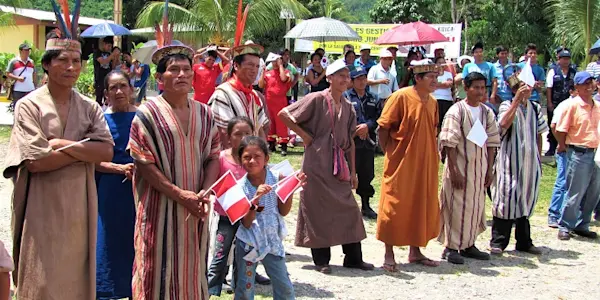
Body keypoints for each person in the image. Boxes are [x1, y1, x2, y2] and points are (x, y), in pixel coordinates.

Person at [3, 33, 114, 299]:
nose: (71, 67)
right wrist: (85, 150)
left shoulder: (89, 107)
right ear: (47, 64)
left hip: (80, 204)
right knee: (40, 275)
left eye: (77, 61)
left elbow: (107, 151)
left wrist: (60, 143)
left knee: (76, 275)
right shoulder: (29, 105)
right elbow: (37, 162)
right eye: (63, 60)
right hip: (40, 203)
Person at [128, 20, 220, 298]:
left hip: (195, 210)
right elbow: (144, 165)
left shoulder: (205, 113)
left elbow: (213, 156)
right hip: (160, 209)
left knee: (192, 270)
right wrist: (181, 195)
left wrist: (204, 191)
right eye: (174, 70)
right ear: (160, 78)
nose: (182, 74)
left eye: (186, 70)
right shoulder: (147, 114)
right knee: (155, 270)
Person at [279, 60, 374, 274]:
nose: (344, 79)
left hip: (339, 164)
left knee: (348, 208)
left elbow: (349, 141)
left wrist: (353, 172)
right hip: (316, 163)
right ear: (329, 78)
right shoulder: (316, 99)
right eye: (339, 75)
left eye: (346, 76)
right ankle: (321, 260)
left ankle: (353, 257)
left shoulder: (349, 106)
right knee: (318, 208)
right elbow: (284, 114)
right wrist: (305, 136)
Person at [376, 59, 441, 272]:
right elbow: (383, 128)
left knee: (420, 203)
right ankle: (389, 253)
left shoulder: (432, 102)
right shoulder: (400, 97)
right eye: (430, 77)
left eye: (435, 76)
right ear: (418, 78)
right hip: (401, 161)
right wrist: (390, 152)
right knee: (394, 204)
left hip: (425, 162)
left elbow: (433, 129)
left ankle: (416, 251)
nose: (435, 80)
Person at [438, 72, 501, 264]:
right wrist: (454, 171)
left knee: (475, 206)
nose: (480, 91)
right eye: (476, 87)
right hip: (460, 167)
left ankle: (468, 244)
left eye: (483, 88)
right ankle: (450, 247)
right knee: (455, 207)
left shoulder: (486, 112)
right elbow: (449, 142)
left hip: (479, 168)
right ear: (466, 88)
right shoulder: (457, 111)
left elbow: (491, 143)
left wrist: (489, 169)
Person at [234, 136, 306, 300]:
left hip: (272, 241)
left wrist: (290, 189)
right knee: (245, 289)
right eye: (247, 157)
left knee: (284, 287)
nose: (252, 161)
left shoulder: (277, 177)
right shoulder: (240, 187)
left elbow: (284, 211)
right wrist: (256, 199)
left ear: (266, 158)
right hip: (249, 244)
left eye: (257, 156)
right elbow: (246, 223)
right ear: (240, 160)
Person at [490, 82, 548, 255]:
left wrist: (538, 157)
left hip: (530, 161)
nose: (527, 90)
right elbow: (501, 126)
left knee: (526, 197)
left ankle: (524, 241)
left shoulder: (535, 107)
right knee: (506, 198)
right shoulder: (506, 105)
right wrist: (515, 102)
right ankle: (498, 241)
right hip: (510, 160)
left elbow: (539, 134)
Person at [95, 71, 137, 299]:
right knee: (108, 240)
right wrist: (119, 168)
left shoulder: (143, 118)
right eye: (113, 87)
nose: (119, 91)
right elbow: (90, 160)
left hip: (140, 189)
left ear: (131, 89)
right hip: (110, 189)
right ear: (106, 93)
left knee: (137, 240)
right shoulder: (99, 119)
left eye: (123, 86)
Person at [207, 117, 253, 296]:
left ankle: (239, 292)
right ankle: (210, 290)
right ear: (227, 136)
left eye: (247, 134)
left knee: (244, 259)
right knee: (220, 255)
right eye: (237, 134)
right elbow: (212, 185)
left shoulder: (253, 159)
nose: (242, 138)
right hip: (225, 218)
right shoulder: (220, 158)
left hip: (248, 219)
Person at [555, 71, 600, 241]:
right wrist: (563, 146)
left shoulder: (597, 105)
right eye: (585, 83)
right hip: (579, 152)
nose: (590, 86)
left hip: (595, 152)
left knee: (594, 192)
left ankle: (583, 224)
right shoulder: (572, 105)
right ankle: (565, 225)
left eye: (591, 82)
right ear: (577, 87)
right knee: (575, 191)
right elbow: (560, 129)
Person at [208, 42, 270, 148]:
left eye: (257, 66)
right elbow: (223, 133)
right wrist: (235, 162)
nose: (254, 70)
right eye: (250, 65)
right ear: (236, 66)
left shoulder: (253, 95)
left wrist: (262, 155)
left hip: (250, 158)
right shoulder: (222, 94)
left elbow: (259, 128)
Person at [344, 66, 381, 219]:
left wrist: (368, 126)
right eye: (358, 78)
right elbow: (342, 117)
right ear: (352, 81)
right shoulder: (346, 96)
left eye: (364, 78)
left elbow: (379, 117)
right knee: (346, 174)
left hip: (368, 143)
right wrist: (356, 129)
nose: (362, 81)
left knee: (367, 175)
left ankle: (365, 206)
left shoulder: (374, 98)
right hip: (351, 142)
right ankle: (345, 206)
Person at [546, 87, 576, 228]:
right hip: (566, 149)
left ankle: (567, 214)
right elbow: (554, 126)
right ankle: (554, 213)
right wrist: (561, 144)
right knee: (562, 181)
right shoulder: (565, 105)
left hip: (578, 150)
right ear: (571, 91)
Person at [545, 49, 576, 156]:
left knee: (567, 125)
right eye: (564, 59)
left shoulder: (573, 72)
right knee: (553, 125)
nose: (566, 61)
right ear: (559, 59)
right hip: (555, 102)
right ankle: (552, 148)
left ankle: (564, 146)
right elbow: (549, 88)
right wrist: (549, 102)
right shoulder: (553, 71)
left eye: (568, 59)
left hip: (569, 104)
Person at [260, 53, 292, 155]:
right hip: (269, 101)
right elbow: (261, 85)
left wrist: (280, 65)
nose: (274, 63)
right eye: (273, 61)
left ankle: (283, 146)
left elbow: (283, 79)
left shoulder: (286, 72)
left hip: (281, 102)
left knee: (281, 123)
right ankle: (271, 144)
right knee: (270, 123)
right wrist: (263, 71)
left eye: (276, 61)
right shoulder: (268, 73)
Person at [461, 42, 499, 113]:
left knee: (485, 111)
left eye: (480, 52)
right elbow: (464, 80)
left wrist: (493, 95)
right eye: (476, 52)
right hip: (472, 90)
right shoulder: (468, 66)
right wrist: (467, 91)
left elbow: (494, 81)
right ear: (473, 54)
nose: (479, 54)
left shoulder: (490, 66)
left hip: (485, 91)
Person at [6, 43, 37, 110]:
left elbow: (34, 74)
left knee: (30, 110)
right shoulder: (14, 61)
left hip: (30, 90)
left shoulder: (31, 62)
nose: (27, 52)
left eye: (28, 50)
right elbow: (7, 73)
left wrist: (35, 86)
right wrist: (18, 78)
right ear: (20, 51)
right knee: (18, 110)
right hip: (18, 91)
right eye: (25, 50)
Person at [433, 56, 455, 127]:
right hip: (435, 100)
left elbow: (449, 84)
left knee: (445, 122)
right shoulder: (432, 74)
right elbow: (431, 84)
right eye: (439, 63)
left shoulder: (448, 74)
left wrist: (437, 84)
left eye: (443, 63)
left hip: (447, 100)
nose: (441, 64)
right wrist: (443, 84)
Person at [94, 37, 115, 105]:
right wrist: (112, 55)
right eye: (108, 46)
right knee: (99, 98)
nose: (109, 48)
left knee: (108, 98)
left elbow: (113, 66)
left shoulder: (109, 54)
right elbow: (103, 62)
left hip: (108, 78)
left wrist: (115, 58)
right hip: (99, 78)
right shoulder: (97, 52)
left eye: (111, 46)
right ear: (103, 44)